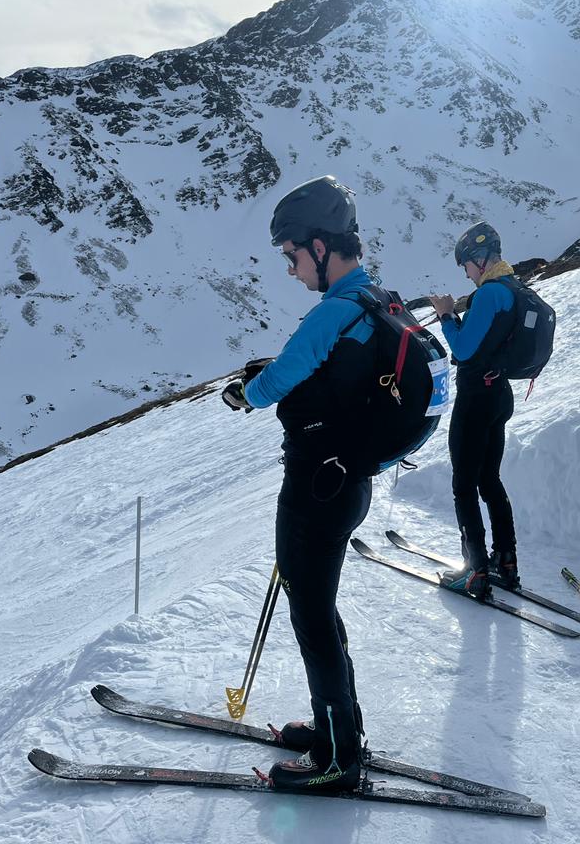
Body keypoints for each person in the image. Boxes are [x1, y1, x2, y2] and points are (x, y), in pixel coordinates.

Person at [220, 175, 376, 794]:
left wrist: (244, 393)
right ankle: (340, 729)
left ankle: (337, 761)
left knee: (311, 615)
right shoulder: (374, 302)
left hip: (317, 486)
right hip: (347, 482)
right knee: (320, 609)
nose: (289, 267)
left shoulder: (334, 312)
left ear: (319, 245)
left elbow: (275, 382)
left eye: (290, 254)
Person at [427, 221, 522, 598]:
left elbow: (464, 351)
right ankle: (506, 560)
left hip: (475, 400)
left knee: (464, 485)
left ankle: (475, 570)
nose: (466, 273)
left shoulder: (489, 294)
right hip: (499, 395)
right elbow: (487, 342)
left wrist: (447, 316)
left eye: (466, 265)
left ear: (479, 260)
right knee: (489, 480)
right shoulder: (513, 289)